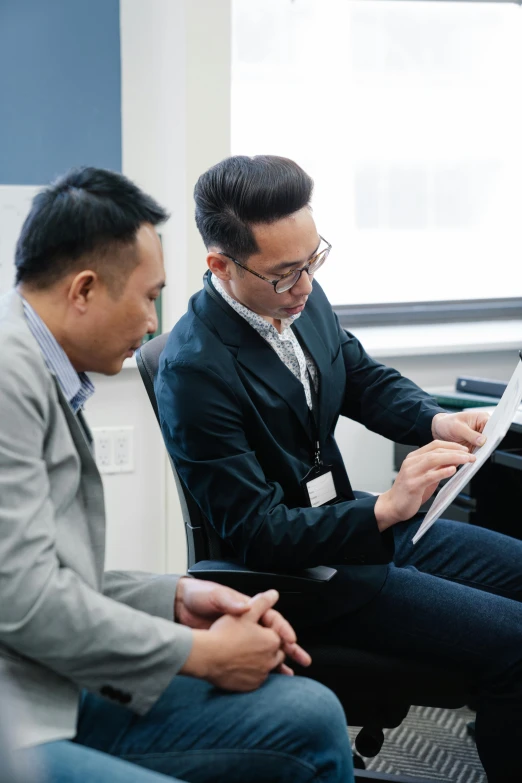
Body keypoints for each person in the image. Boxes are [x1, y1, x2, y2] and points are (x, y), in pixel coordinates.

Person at [156, 154, 522, 783]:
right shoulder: (195, 369)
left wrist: (435, 421)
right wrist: (386, 507)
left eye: (312, 261)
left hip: (358, 527)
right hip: (303, 571)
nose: (304, 286)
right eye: (284, 274)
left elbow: (358, 375)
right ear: (221, 265)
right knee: (515, 643)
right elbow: (256, 531)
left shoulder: (296, 292)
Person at [0, 166, 354, 783]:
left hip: (45, 670)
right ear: (83, 290)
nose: (151, 322)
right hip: (21, 708)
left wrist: (175, 596)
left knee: (311, 714)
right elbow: (25, 604)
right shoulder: (10, 383)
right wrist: (199, 655)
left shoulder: (43, 372)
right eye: (146, 296)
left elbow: (39, 578)